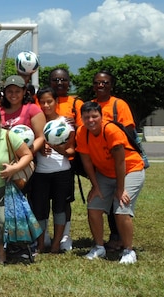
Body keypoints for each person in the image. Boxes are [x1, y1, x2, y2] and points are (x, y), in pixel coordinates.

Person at [77, 101, 144, 264]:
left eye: (94, 116)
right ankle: (99, 247)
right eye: (86, 117)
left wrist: (120, 189)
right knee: (93, 206)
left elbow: (120, 162)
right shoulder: (82, 133)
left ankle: (129, 251)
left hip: (130, 169)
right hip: (105, 174)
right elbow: (86, 162)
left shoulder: (111, 130)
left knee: (121, 208)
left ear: (101, 116)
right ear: (82, 118)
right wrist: (95, 186)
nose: (91, 120)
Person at [0, 106, 33, 264]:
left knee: (3, 221)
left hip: (6, 189)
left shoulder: (9, 136)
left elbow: (27, 155)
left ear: (0, 121)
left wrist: (14, 169)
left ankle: (2, 250)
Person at [90, 70, 135, 252]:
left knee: (119, 201)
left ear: (111, 85)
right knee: (104, 201)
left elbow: (130, 132)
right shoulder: (90, 105)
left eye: (105, 82)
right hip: (101, 164)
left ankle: (119, 239)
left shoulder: (119, 105)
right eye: (97, 83)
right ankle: (110, 238)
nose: (101, 85)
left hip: (119, 161)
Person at [32, 88, 76, 253]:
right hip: (40, 174)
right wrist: (39, 148)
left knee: (59, 208)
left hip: (62, 172)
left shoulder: (66, 123)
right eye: (42, 102)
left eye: (49, 101)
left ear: (56, 102)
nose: (45, 105)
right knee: (40, 210)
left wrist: (59, 149)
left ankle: (57, 243)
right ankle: (41, 243)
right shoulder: (36, 122)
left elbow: (71, 150)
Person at [0, 75, 47, 154]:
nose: (13, 94)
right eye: (9, 91)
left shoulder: (32, 109)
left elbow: (41, 137)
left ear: (24, 91)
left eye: (17, 91)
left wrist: (26, 155)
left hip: (25, 161)